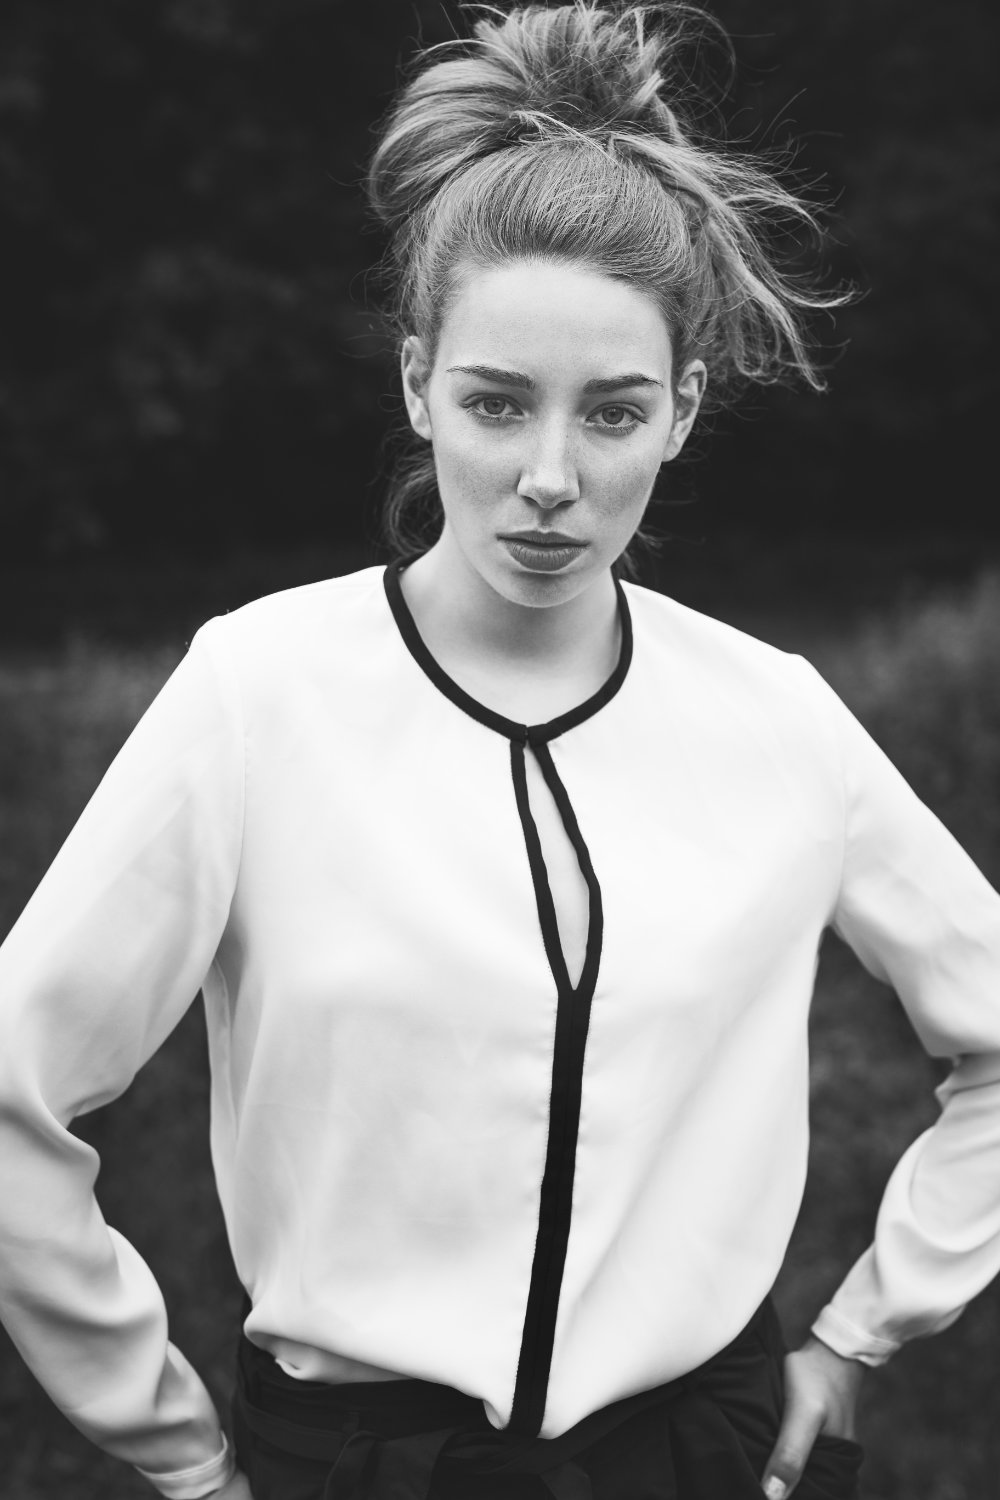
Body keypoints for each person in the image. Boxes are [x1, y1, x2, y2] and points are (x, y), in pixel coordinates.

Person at [1, 3, 999, 1498]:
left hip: (700, 1459)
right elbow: (14, 1085)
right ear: (417, 384)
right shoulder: (260, 695)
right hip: (357, 1464)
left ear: (683, 414)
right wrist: (183, 1455)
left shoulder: (776, 718)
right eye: (495, 403)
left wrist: (860, 1335)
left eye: (613, 413)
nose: (549, 476)